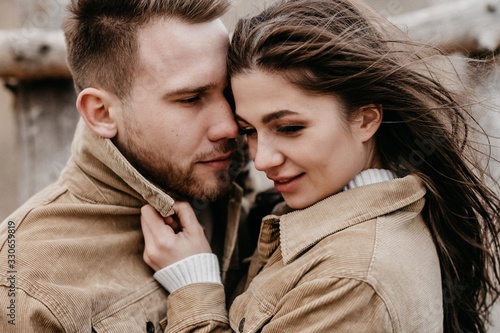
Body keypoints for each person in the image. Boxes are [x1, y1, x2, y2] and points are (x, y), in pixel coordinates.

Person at [139, 0, 500, 332]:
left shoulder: (350, 280)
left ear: (365, 119)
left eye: (289, 128)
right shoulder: (334, 218)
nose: (262, 159)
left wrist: (193, 285)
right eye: (249, 130)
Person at [0, 0, 273, 331]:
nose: (229, 127)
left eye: (227, 92)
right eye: (190, 99)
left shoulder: (248, 183)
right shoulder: (24, 281)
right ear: (101, 113)